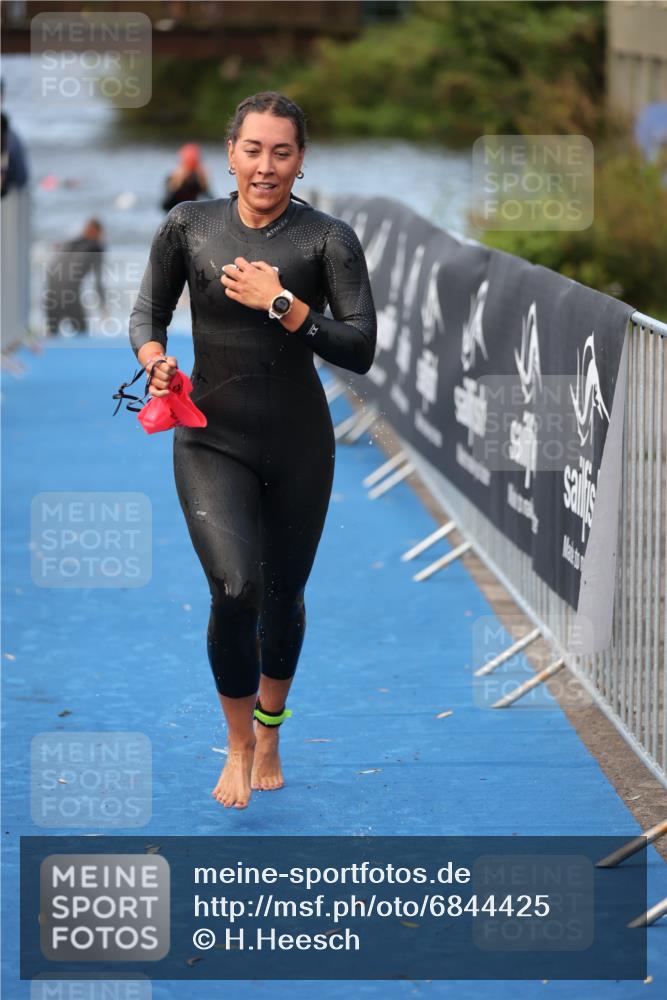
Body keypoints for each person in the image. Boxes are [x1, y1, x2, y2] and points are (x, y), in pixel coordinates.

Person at [128, 90, 377, 810]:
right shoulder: (189, 225)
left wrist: (283, 304)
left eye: (282, 152)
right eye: (252, 149)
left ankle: (271, 727)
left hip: (299, 441)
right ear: (229, 152)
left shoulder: (327, 240)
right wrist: (154, 358)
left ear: (300, 162)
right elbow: (149, 308)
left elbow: (359, 348)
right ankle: (237, 743)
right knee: (235, 589)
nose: (265, 165)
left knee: (283, 596)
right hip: (210, 434)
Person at [43, 218, 106, 336]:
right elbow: (98, 282)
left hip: (51, 292)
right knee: (82, 331)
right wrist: (103, 305)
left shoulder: (70, 243)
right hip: (69, 295)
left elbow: (53, 266)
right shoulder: (97, 248)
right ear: (98, 232)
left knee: (52, 333)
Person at [161, 142, 212, 212]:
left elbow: (212, 204)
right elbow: (164, 206)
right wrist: (175, 186)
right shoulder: (172, 178)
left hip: (191, 214)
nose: (189, 174)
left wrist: (205, 185)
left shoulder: (197, 180)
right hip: (174, 215)